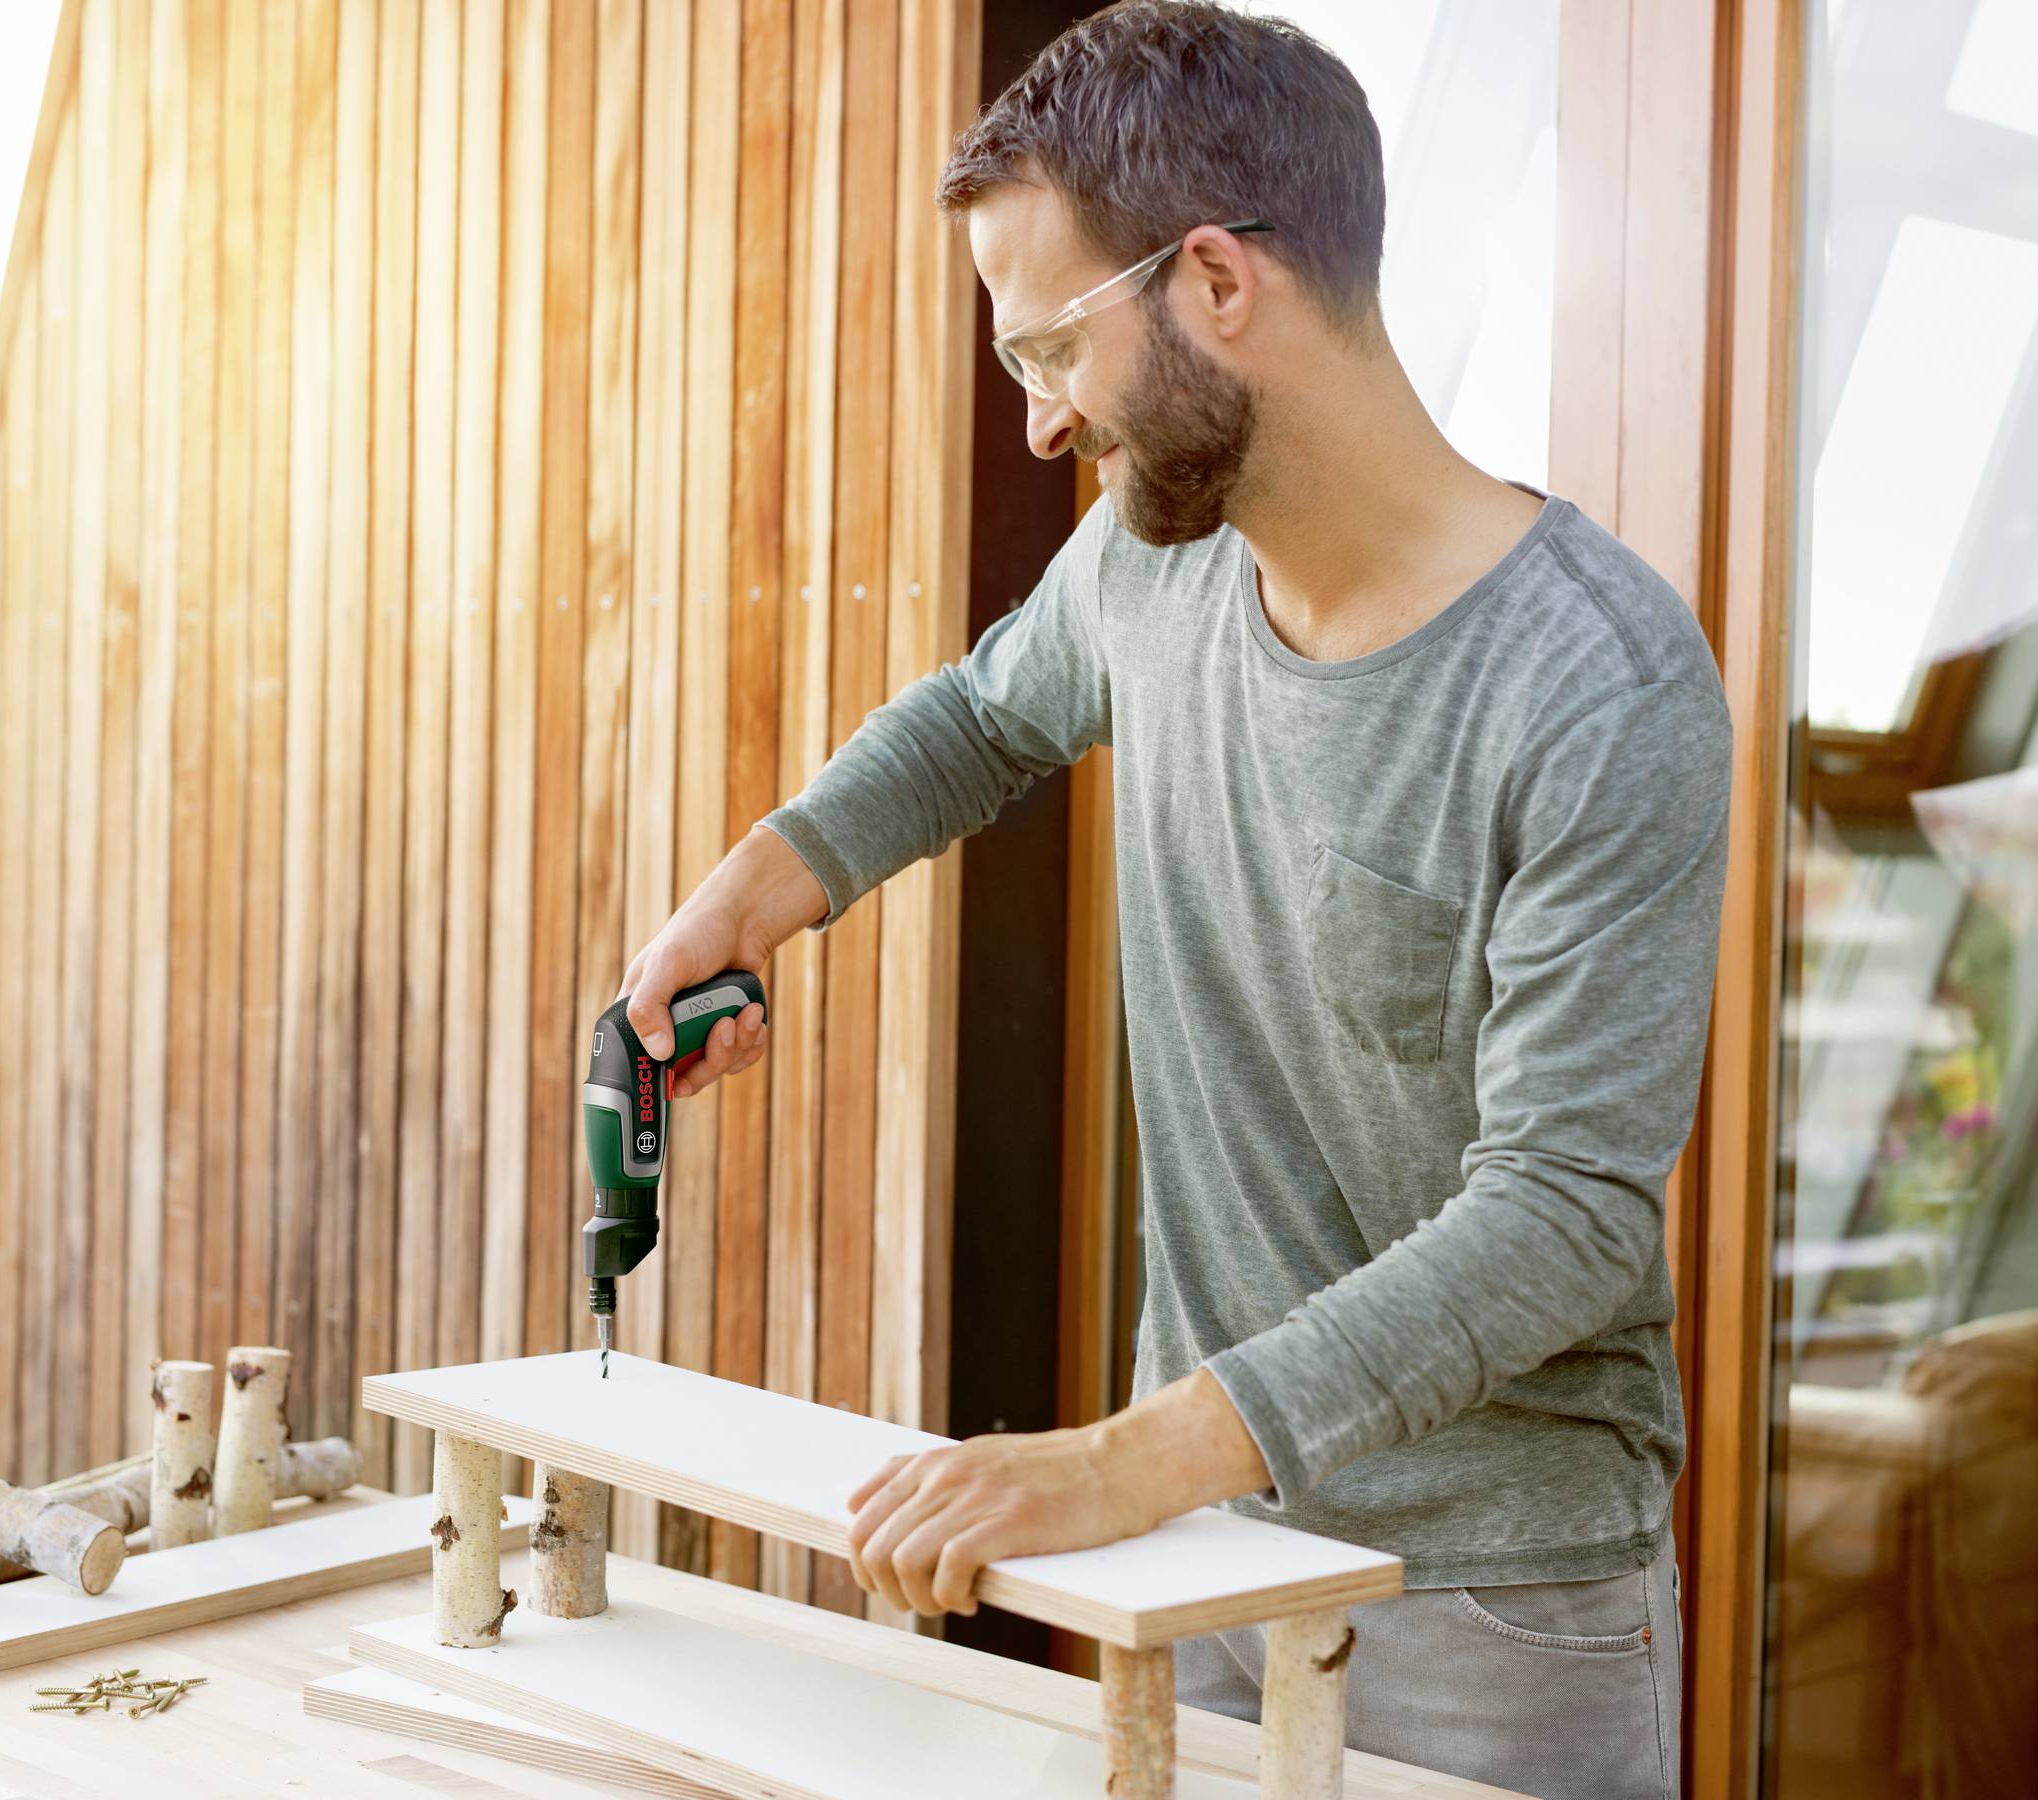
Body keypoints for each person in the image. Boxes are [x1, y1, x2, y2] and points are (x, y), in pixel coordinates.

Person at [615, 5, 1727, 1793]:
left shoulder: (1596, 684)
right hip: (1205, 1558)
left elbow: (1564, 1214)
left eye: (1053, 344)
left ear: (1215, 281)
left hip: (1493, 1613)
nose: (1043, 419)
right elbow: (984, 716)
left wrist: (1110, 1466)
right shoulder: (1154, 555)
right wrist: (760, 888)